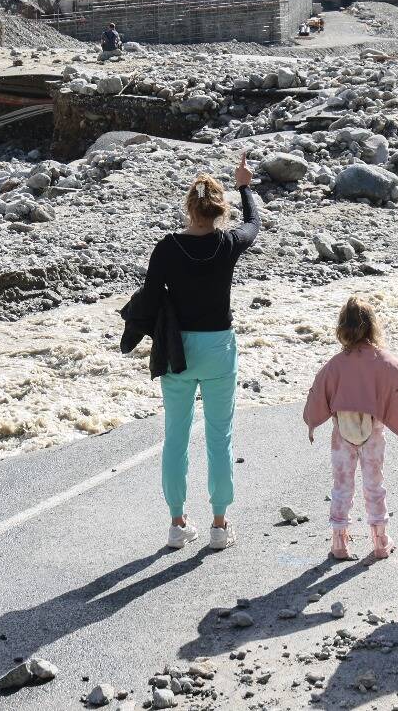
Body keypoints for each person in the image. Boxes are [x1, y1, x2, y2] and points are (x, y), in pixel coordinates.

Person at [143, 154, 258, 550]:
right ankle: (219, 526)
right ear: (218, 209)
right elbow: (253, 225)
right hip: (218, 349)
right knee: (219, 437)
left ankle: (177, 524)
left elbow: (151, 298)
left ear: (188, 208)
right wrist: (245, 186)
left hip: (178, 351)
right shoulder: (227, 245)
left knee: (175, 437)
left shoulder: (168, 247)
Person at [302, 297, 398, 560]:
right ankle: (380, 541)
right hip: (373, 432)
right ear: (372, 327)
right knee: (374, 485)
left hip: (342, 433)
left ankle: (339, 542)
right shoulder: (382, 360)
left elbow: (317, 392)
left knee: (342, 486)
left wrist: (312, 422)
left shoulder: (335, 364)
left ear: (342, 329)